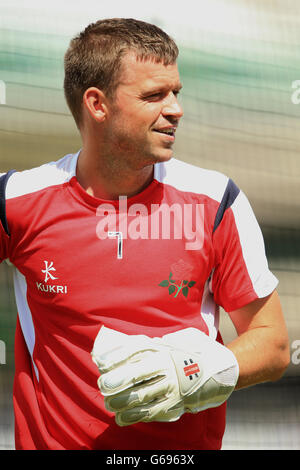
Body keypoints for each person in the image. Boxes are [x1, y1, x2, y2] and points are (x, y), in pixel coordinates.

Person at [0, 18, 289, 451]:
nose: (176, 108)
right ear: (97, 104)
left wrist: (198, 371)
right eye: (154, 95)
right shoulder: (15, 201)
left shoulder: (216, 200)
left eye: (176, 92)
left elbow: (275, 344)